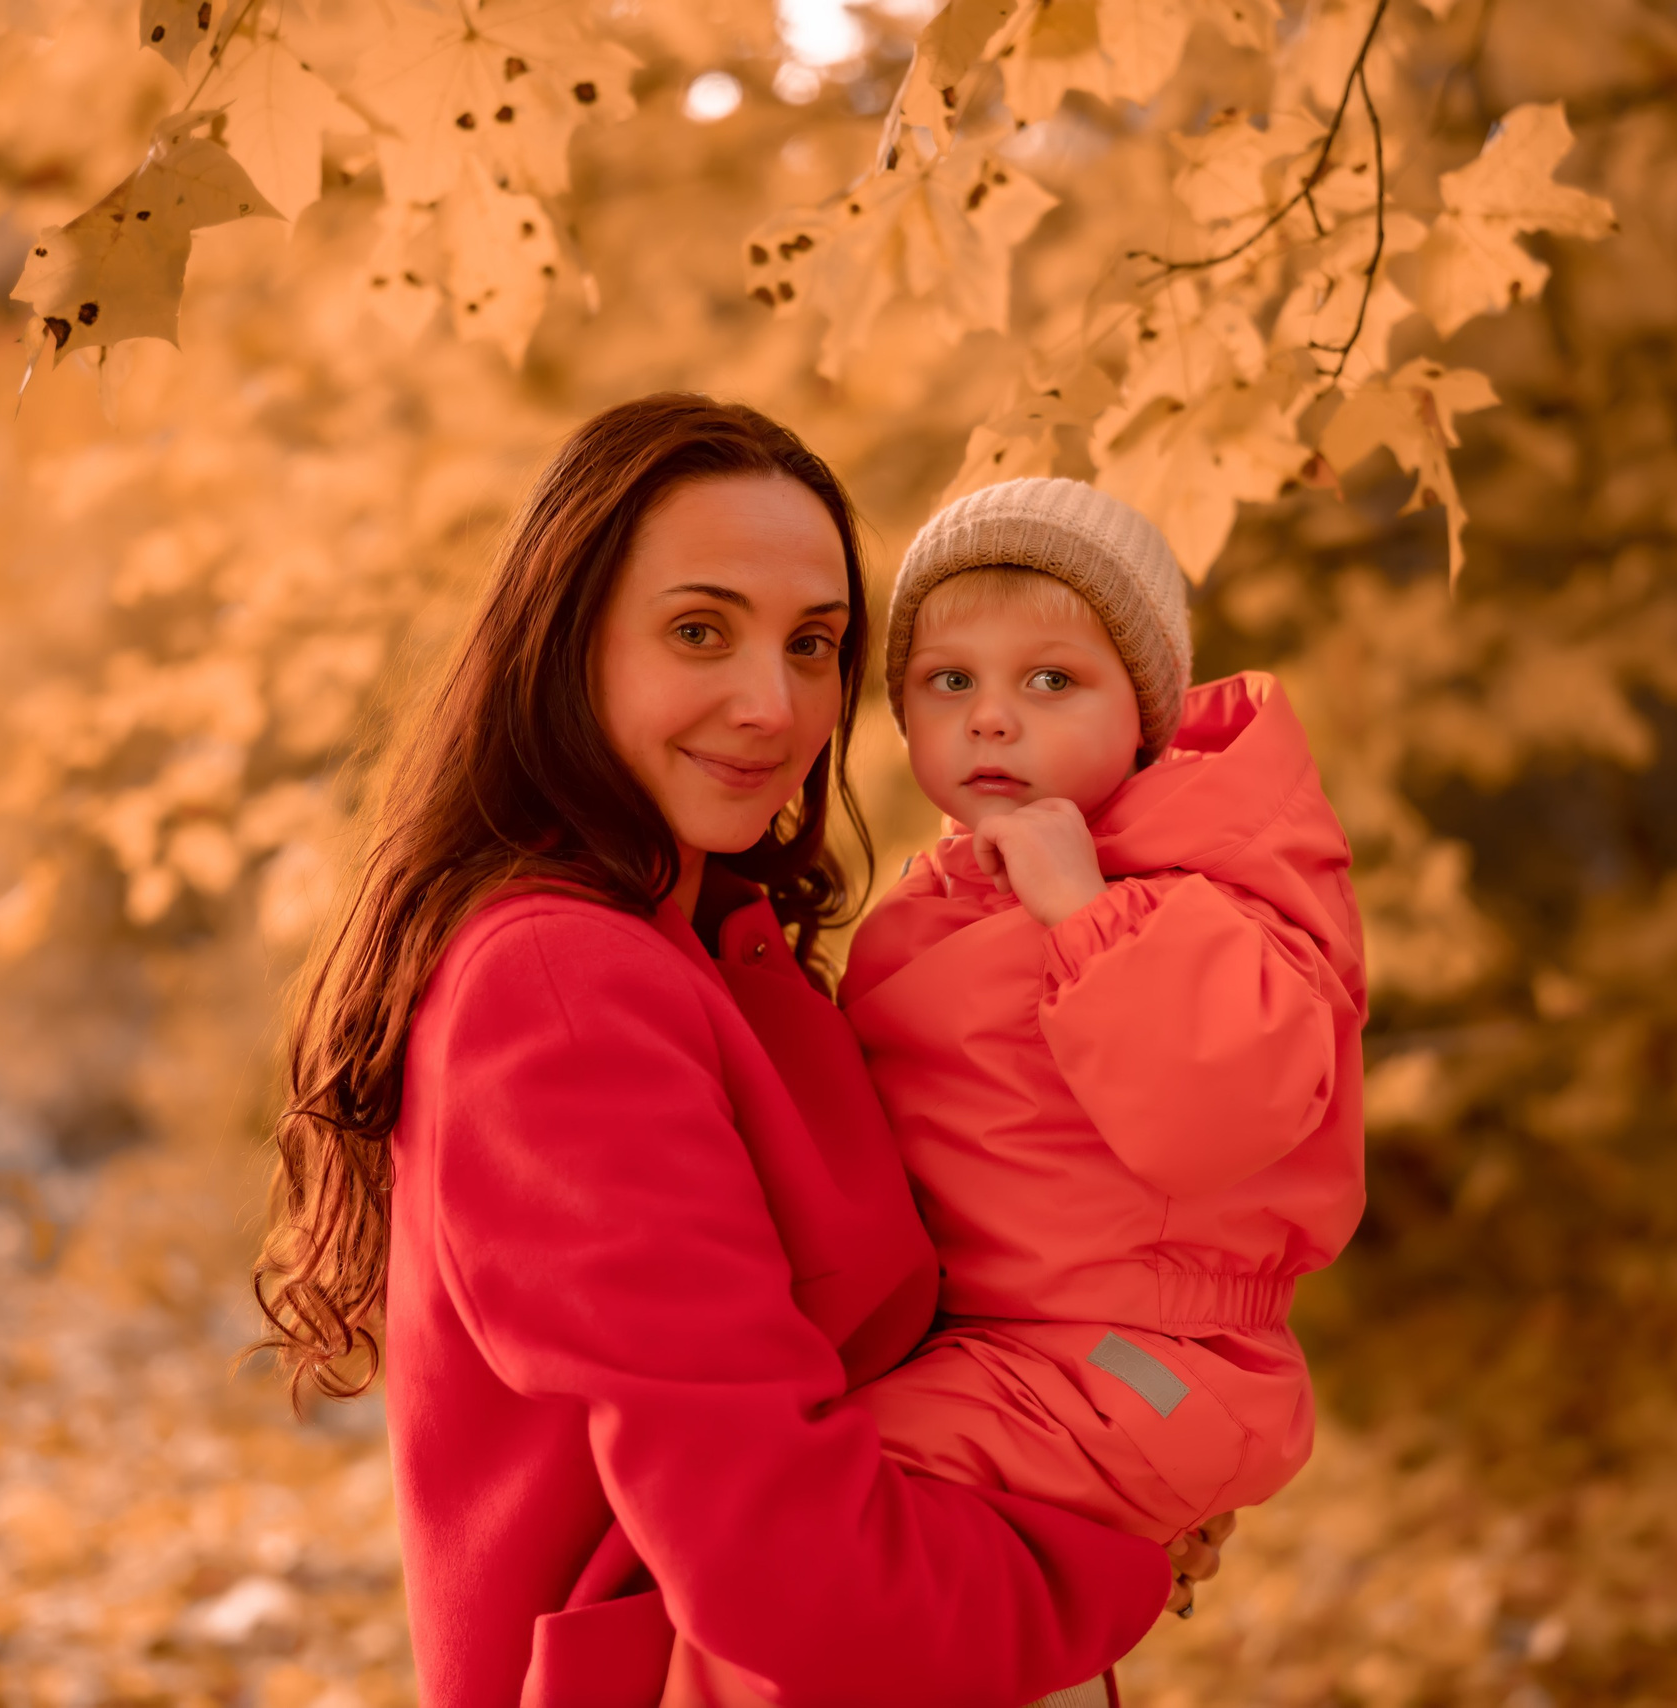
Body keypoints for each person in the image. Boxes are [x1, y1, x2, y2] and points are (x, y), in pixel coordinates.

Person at [253, 400, 1226, 1708]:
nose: (772, 706)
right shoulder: (561, 984)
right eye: (699, 631)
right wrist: (1108, 1561)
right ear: (566, 642)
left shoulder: (712, 960)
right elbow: (784, 1563)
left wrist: (1105, 1459)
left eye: (814, 645)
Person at [841, 476, 1368, 1545]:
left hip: (1153, 1359)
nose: (990, 713)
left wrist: (1089, 914)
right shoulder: (922, 912)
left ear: (1144, 719)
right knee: (767, 1482)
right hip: (1003, 1351)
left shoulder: (1203, 887)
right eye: (948, 680)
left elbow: (1218, 1113)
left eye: (1050, 679)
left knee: (826, 1489)